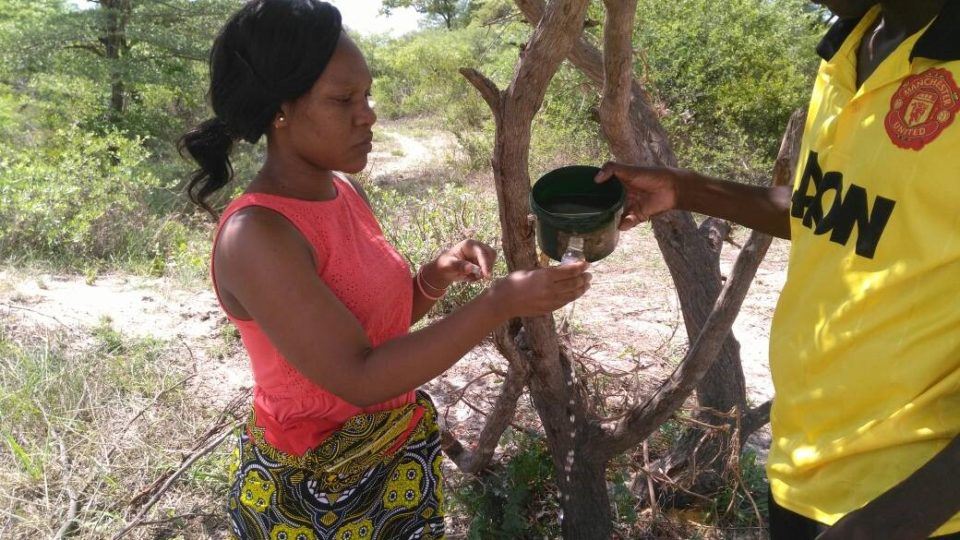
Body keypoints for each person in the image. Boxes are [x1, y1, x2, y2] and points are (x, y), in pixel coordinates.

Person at [178, 1, 591, 538]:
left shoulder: (342, 189)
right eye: (343, 99)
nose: (368, 113)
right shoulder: (258, 235)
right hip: (316, 492)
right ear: (279, 111)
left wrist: (431, 280)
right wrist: (499, 303)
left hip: (392, 464)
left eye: (367, 94)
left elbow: (376, 326)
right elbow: (359, 377)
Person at [596, 1, 959, 538]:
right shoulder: (849, 48)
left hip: (914, 501)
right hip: (801, 463)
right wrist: (684, 189)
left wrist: (890, 523)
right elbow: (829, 213)